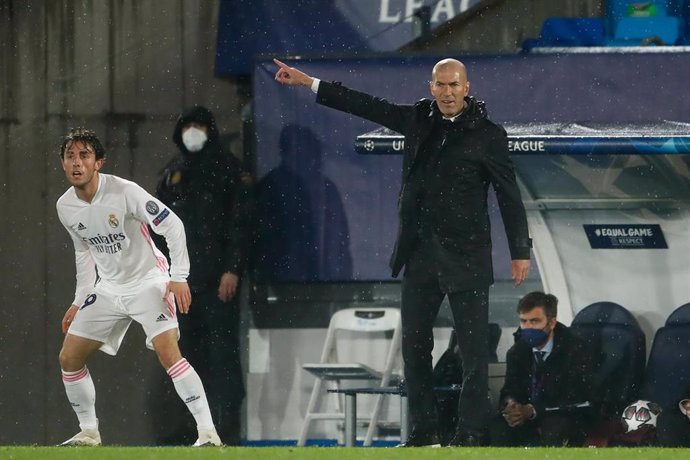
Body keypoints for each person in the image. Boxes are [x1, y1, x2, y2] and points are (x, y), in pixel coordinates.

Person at [273, 57, 532, 446]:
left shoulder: (488, 135)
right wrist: (310, 82)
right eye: (440, 85)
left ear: (467, 87)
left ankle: (470, 434)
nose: (447, 92)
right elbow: (365, 104)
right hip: (421, 256)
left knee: (474, 355)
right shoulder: (417, 121)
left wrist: (520, 250)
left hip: (467, 258)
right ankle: (424, 433)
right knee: (414, 350)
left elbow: (509, 196)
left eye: (454, 85)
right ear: (431, 87)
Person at [56, 127, 221, 447]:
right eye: (70, 156)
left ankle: (208, 433)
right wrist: (79, 300)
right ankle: (89, 432)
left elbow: (172, 224)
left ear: (98, 163)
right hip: (109, 289)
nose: (76, 163)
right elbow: (84, 251)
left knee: (168, 352)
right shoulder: (65, 207)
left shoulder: (125, 192)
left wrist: (179, 276)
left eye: (84, 156)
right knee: (69, 358)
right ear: (63, 163)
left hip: (149, 281)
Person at [156, 106, 252, 445]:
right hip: (180, 285)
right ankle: (192, 426)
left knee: (223, 355)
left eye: (199, 126)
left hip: (217, 282)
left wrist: (232, 269)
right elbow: (155, 230)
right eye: (188, 126)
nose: (193, 132)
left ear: (210, 130)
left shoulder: (228, 169)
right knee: (184, 355)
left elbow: (240, 222)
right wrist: (162, 276)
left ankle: (227, 426)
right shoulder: (172, 174)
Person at [490, 291, 594, 447]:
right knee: (497, 427)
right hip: (528, 416)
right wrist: (511, 405)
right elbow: (510, 389)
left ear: (551, 323)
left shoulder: (576, 350)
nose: (528, 327)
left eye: (534, 321)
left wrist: (532, 410)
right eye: (524, 321)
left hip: (564, 415)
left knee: (555, 428)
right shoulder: (517, 352)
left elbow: (575, 399)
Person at [255, 123, 352, 282]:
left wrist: (341, 274)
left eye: (309, 149)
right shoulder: (270, 188)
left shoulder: (326, 189)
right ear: (287, 152)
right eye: (301, 149)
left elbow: (339, 240)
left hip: (322, 282)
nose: (308, 156)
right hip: (280, 284)